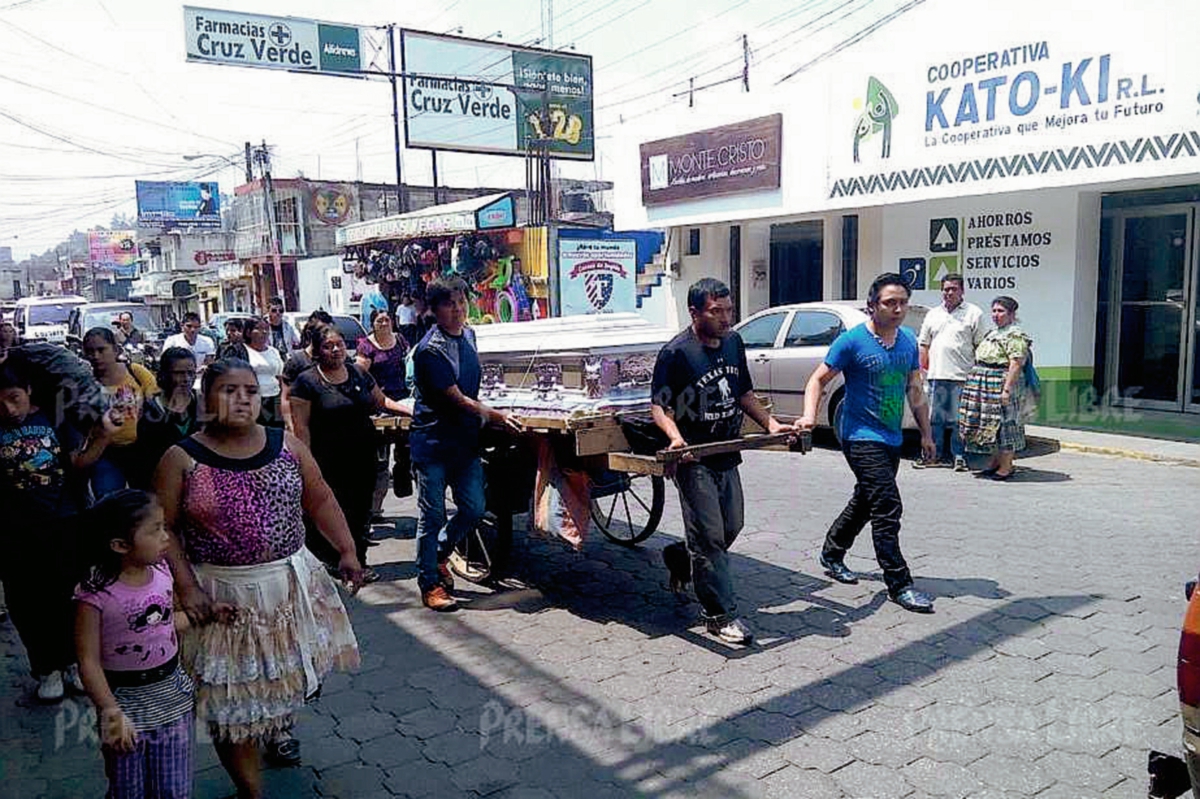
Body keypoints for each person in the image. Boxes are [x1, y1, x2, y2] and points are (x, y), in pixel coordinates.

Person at [153, 359, 363, 799]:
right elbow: (164, 528)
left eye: (250, 390)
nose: (242, 399)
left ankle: (276, 728)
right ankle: (250, 791)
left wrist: (346, 549)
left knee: (277, 681)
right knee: (230, 705)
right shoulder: (181, 458)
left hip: (286, 587)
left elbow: (320, 496)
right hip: (220, 595)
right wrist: (187, 588)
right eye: (229, 390)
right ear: (205, 398)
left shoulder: (285, 445)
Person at [650, 277, 794, 645]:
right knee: (711, 537)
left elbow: (744, 392)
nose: (727, 318)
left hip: (726, 451)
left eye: (729, 310)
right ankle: (719, 616)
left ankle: (682, 560)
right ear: (695, 312)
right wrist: (675, 437)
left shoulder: (733, 342)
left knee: (731, 526)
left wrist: (771, 422)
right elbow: (660, 406)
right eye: (718, 311)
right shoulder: (676, 353)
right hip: (694, 457)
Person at [800, 273, 937, 614]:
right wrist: (808, 416)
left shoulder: (906, 341)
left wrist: (926, 433)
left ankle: (832, 553)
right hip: (859, 435)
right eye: (890, 302)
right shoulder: (852, 341)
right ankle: (899, 583)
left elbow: (914, 390)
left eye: (903, 302)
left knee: (866, 499)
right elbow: (817, 380)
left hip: (891, 436)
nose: (898, 308)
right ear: (872, 305)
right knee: (887, 505)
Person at [0, 353, 114, 701]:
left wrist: (104, 436)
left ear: (29, 390)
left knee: (70, 595)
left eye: (14, 398)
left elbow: (78, 462)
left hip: (64, 522)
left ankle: (73, 663)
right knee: (26, 601)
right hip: (13, 531)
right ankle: (46, 667)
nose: (8, 409)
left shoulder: (55, 417)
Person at [74, 490, 195, 799]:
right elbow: (88, 661)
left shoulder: (162, 573)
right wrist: (111, 713)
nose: (166, 537)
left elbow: (164, 624)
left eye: (164, 526)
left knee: (173, 789)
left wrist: (204, 617)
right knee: (128, 789)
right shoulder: (95, 594)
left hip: (171, 696)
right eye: (155, 530)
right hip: (125, 704)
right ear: (120, 545)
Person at [410, 276, 521, 612]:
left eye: (461, 302)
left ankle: (441, 552)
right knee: (432, 515)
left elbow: (475, 387)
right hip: (432, 444)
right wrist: (496, 415)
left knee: (474, 507)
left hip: (465, 442)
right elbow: (457, 398)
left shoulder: (470, 336)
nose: (457, 310)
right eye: (449, 304)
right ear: (434, 310)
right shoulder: (429, 351)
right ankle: (429, 583)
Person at [289, 326, 409, 581]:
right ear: (318, 351)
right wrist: (306, 465)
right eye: (328, 346)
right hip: (326, 461)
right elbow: (301, 428)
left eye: (339, 344)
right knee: (331, 510)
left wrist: (411, 411)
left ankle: (359, 562)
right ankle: (327, 561)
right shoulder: (307, 382)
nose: (335, 350)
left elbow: (381, 401)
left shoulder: (358, 374)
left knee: (360, 510)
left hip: (362, 456)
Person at [915, 274, 987, 472]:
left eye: (953, 289)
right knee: (935, 420)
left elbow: (980, 346)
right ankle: (933, 456)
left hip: (962, 376)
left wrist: (977, 375)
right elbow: (924, 345)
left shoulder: (974, 313)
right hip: (936, 375)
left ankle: (959, 457)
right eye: (946, 289)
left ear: (962, 291)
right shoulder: (933, 314)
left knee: (958, 420)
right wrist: (921, 372)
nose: (949, 293)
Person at [959, 296, 1033, 481]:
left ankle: (1007, 466)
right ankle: (995, 462)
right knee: (989, 425)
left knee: (1005, 424)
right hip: (984, 383)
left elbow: (1016, 363)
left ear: (1012, 314)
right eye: (994, 311)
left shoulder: (1015, 335)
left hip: (1001, 382)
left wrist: (1007, 390)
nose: (996, 315)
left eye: (1001, 311)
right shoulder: (993, 333)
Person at [82, 326, 159, 497]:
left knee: (144, 502)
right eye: (90, 351)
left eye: (101, 350)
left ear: (115, 349)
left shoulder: (136, 372)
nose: (96, 356)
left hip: (140, 451)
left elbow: (156, 405)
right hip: (105, 454)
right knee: (108, 503)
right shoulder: (85, 382)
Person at [356, 309, 410, 518]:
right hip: (378, 405)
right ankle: (374, 509)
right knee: (379, 461)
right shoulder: (366, 346)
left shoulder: (401, 340)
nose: (385, 323)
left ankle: (403, 479)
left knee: (408, 452)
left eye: (387, 319)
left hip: (404, 402)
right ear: (373, 324)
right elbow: (360, 375)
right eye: (380, 320)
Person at [134, 348, 200, 489]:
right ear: (164, 375)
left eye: (191, 373)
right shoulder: (150, 412)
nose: (187, 379)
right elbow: (144, 463)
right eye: (179, 373)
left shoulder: (204, 406)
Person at [279, 310, 333, 432]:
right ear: (310, 333)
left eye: (329, 331)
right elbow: (286, 398)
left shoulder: (338, 360)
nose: (326, 336)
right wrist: (291, 427)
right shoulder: (296, 362)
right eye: (322, 331)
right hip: (305, 427)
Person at [244, 318, 285, 428]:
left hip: (274, 397)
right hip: (254, 399)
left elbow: (280, 376)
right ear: (248, 332)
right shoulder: (243, 351)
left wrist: (283, 398)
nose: (264, 332)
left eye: (266, 329)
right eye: (259, 329)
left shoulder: (273, 352)